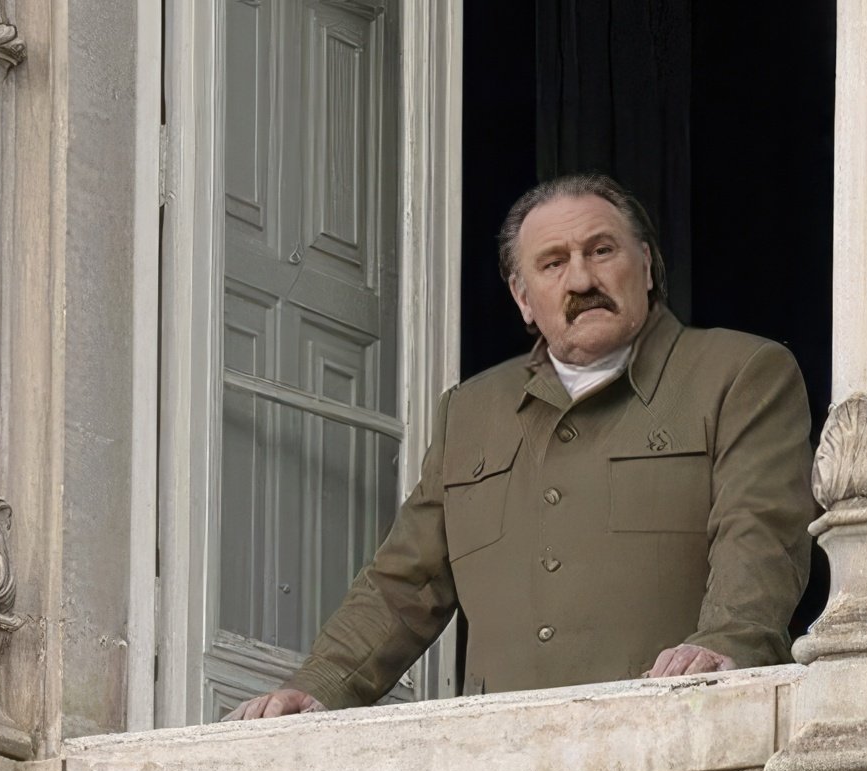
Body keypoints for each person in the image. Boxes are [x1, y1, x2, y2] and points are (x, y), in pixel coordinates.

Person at [225, 174, 815, 720]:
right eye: (553, 263)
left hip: (674, 727)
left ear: (648, 265)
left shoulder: (739, 372)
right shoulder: (472, 411)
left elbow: (760, 530)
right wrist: (321, 685)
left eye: (602, 251)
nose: (581, 280)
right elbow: (406, 581)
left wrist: (727, 643)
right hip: (498, 757)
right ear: (523, 298)